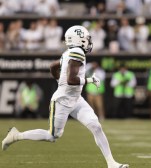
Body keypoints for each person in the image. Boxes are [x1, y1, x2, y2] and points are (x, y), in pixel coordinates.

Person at [2, 25, 129, 168]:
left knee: (96, 126)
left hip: (76, 99)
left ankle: (111, 163)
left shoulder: (69, 53)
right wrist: (90, 80)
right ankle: (16, 135)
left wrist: (59, 80)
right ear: (78, 39)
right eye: (86, 39)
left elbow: (52, 67)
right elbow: (71, 80)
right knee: (52, 136)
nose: (88, 41)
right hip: (62, 101)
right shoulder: (77, 53)